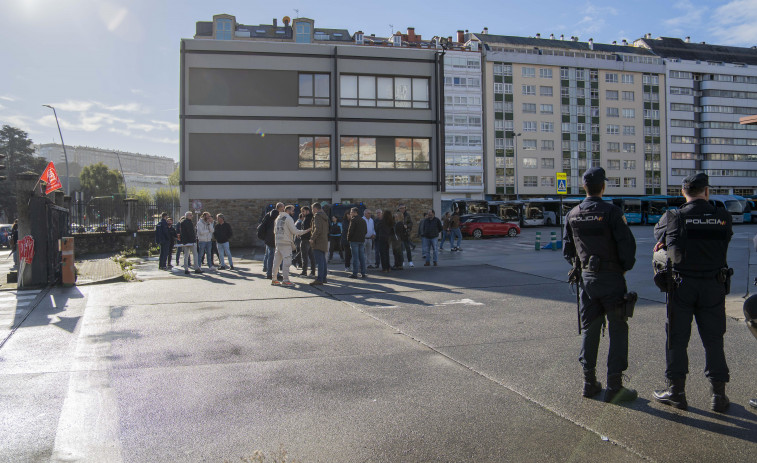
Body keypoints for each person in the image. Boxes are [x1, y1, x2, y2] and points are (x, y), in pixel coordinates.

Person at [652, 173, 733, 413]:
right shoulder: (723, 216)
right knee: (714, 340)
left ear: (683, 192)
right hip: (713, 286)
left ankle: (677, 393)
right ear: (706, 191)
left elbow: (659, 236)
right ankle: (718, 396)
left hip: (681, 286)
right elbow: (726, 239)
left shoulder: (673, 216)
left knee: (676, 339)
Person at [563, 167, 637, 404]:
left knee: (590, 330)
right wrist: (623, 267)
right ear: (603, 187)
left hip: (587, 280)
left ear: (584, 187)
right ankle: (614, 386)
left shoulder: (572, 214)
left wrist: (582, 265)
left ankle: (588, 383)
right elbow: (627, 245)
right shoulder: (612, 212)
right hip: (612, 278)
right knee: (617, 329)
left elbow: (567, 250)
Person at [271, 204, 309, 286]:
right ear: (287, 210)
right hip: (286, 243)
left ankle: (274, 279)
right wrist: (307, 230)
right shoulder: (288, 218)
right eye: (292, 210)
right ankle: (285, 280)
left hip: (278, 242)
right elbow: (295, 231)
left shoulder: (278, 218)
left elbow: (274, 231)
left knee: (276, 262)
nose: (294, 212)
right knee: (287, 262)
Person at [260, 203, 283, 279]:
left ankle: (269, 272)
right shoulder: (279, 216)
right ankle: (274, 273)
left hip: (268, 238)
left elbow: (263, 225)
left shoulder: (268, 215)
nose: (284, 209)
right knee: (275, 257)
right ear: (279, 208)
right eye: (283, 207)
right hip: (275, 238)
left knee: (270, 256)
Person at [309, 203, 329, 285]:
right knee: (323, 260)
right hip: (324, 240)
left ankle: (320, 279)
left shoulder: (317, 216)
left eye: (312, 209)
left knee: (320, 261)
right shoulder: (324, 216)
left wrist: (312, 238)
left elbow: (317, 229)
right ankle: (323, 278)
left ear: (315, 208)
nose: (312, 211)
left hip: (318, 241)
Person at [348, 207, 368, 279]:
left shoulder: (353, 220)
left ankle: (355, 273)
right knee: (362, 257)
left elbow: (350, 231)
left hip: (354, 241)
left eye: (351, 212)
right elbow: (365, 231)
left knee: (355, 258)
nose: (350, 213)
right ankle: (363, 273)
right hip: (361, 240)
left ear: (355, 212)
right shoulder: (363, 220)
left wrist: (349, 239)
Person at [300, 206, 316, 277]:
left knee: (304, 256)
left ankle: (304, 272)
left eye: (303, 211)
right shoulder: (312, 218)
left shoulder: (308, 219)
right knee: (311, 256)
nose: (302, 213)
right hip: (309, 239)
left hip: (305, 239)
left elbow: (306, 229)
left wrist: (301, 233)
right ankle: (312, 272)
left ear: (307, 211)